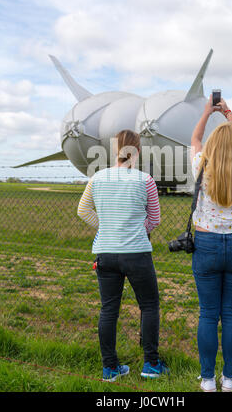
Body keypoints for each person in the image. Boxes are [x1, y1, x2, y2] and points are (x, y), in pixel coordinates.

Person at [77, 129, 169, 382]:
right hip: (137, 253)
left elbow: (82, 210)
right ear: (137, 152)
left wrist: (106, 226)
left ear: (115, 149)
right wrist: (137, 230)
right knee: (149, 306)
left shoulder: (97, 178)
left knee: (109, 309)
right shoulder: (145, 180)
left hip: (105, 253)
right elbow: (155, 219)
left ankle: (110, 368)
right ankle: (151, 364)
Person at [190, 95, 232, 392]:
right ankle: (229, 379)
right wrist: (227, 112)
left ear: (212, 147)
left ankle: (207, 380)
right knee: (231, 313)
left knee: (207, 313)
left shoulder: (201, 167)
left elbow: (194, 138)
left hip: (206, 244)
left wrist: (207, 113)